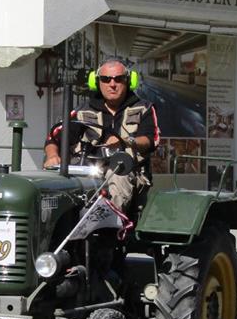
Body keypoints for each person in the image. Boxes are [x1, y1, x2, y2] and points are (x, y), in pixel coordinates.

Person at [44, 57, 159, 215]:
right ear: (96, 82)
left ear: (129, 81)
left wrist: (126, 141)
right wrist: (52, 156)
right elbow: (54, 138)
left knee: (119, 176)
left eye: (119, 79)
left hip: (128, 172)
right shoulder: (82, 111)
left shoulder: (144, 108)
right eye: (106, 79)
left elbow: (151, 140)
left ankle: (106, 220)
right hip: (89, 172)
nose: (112, 84)